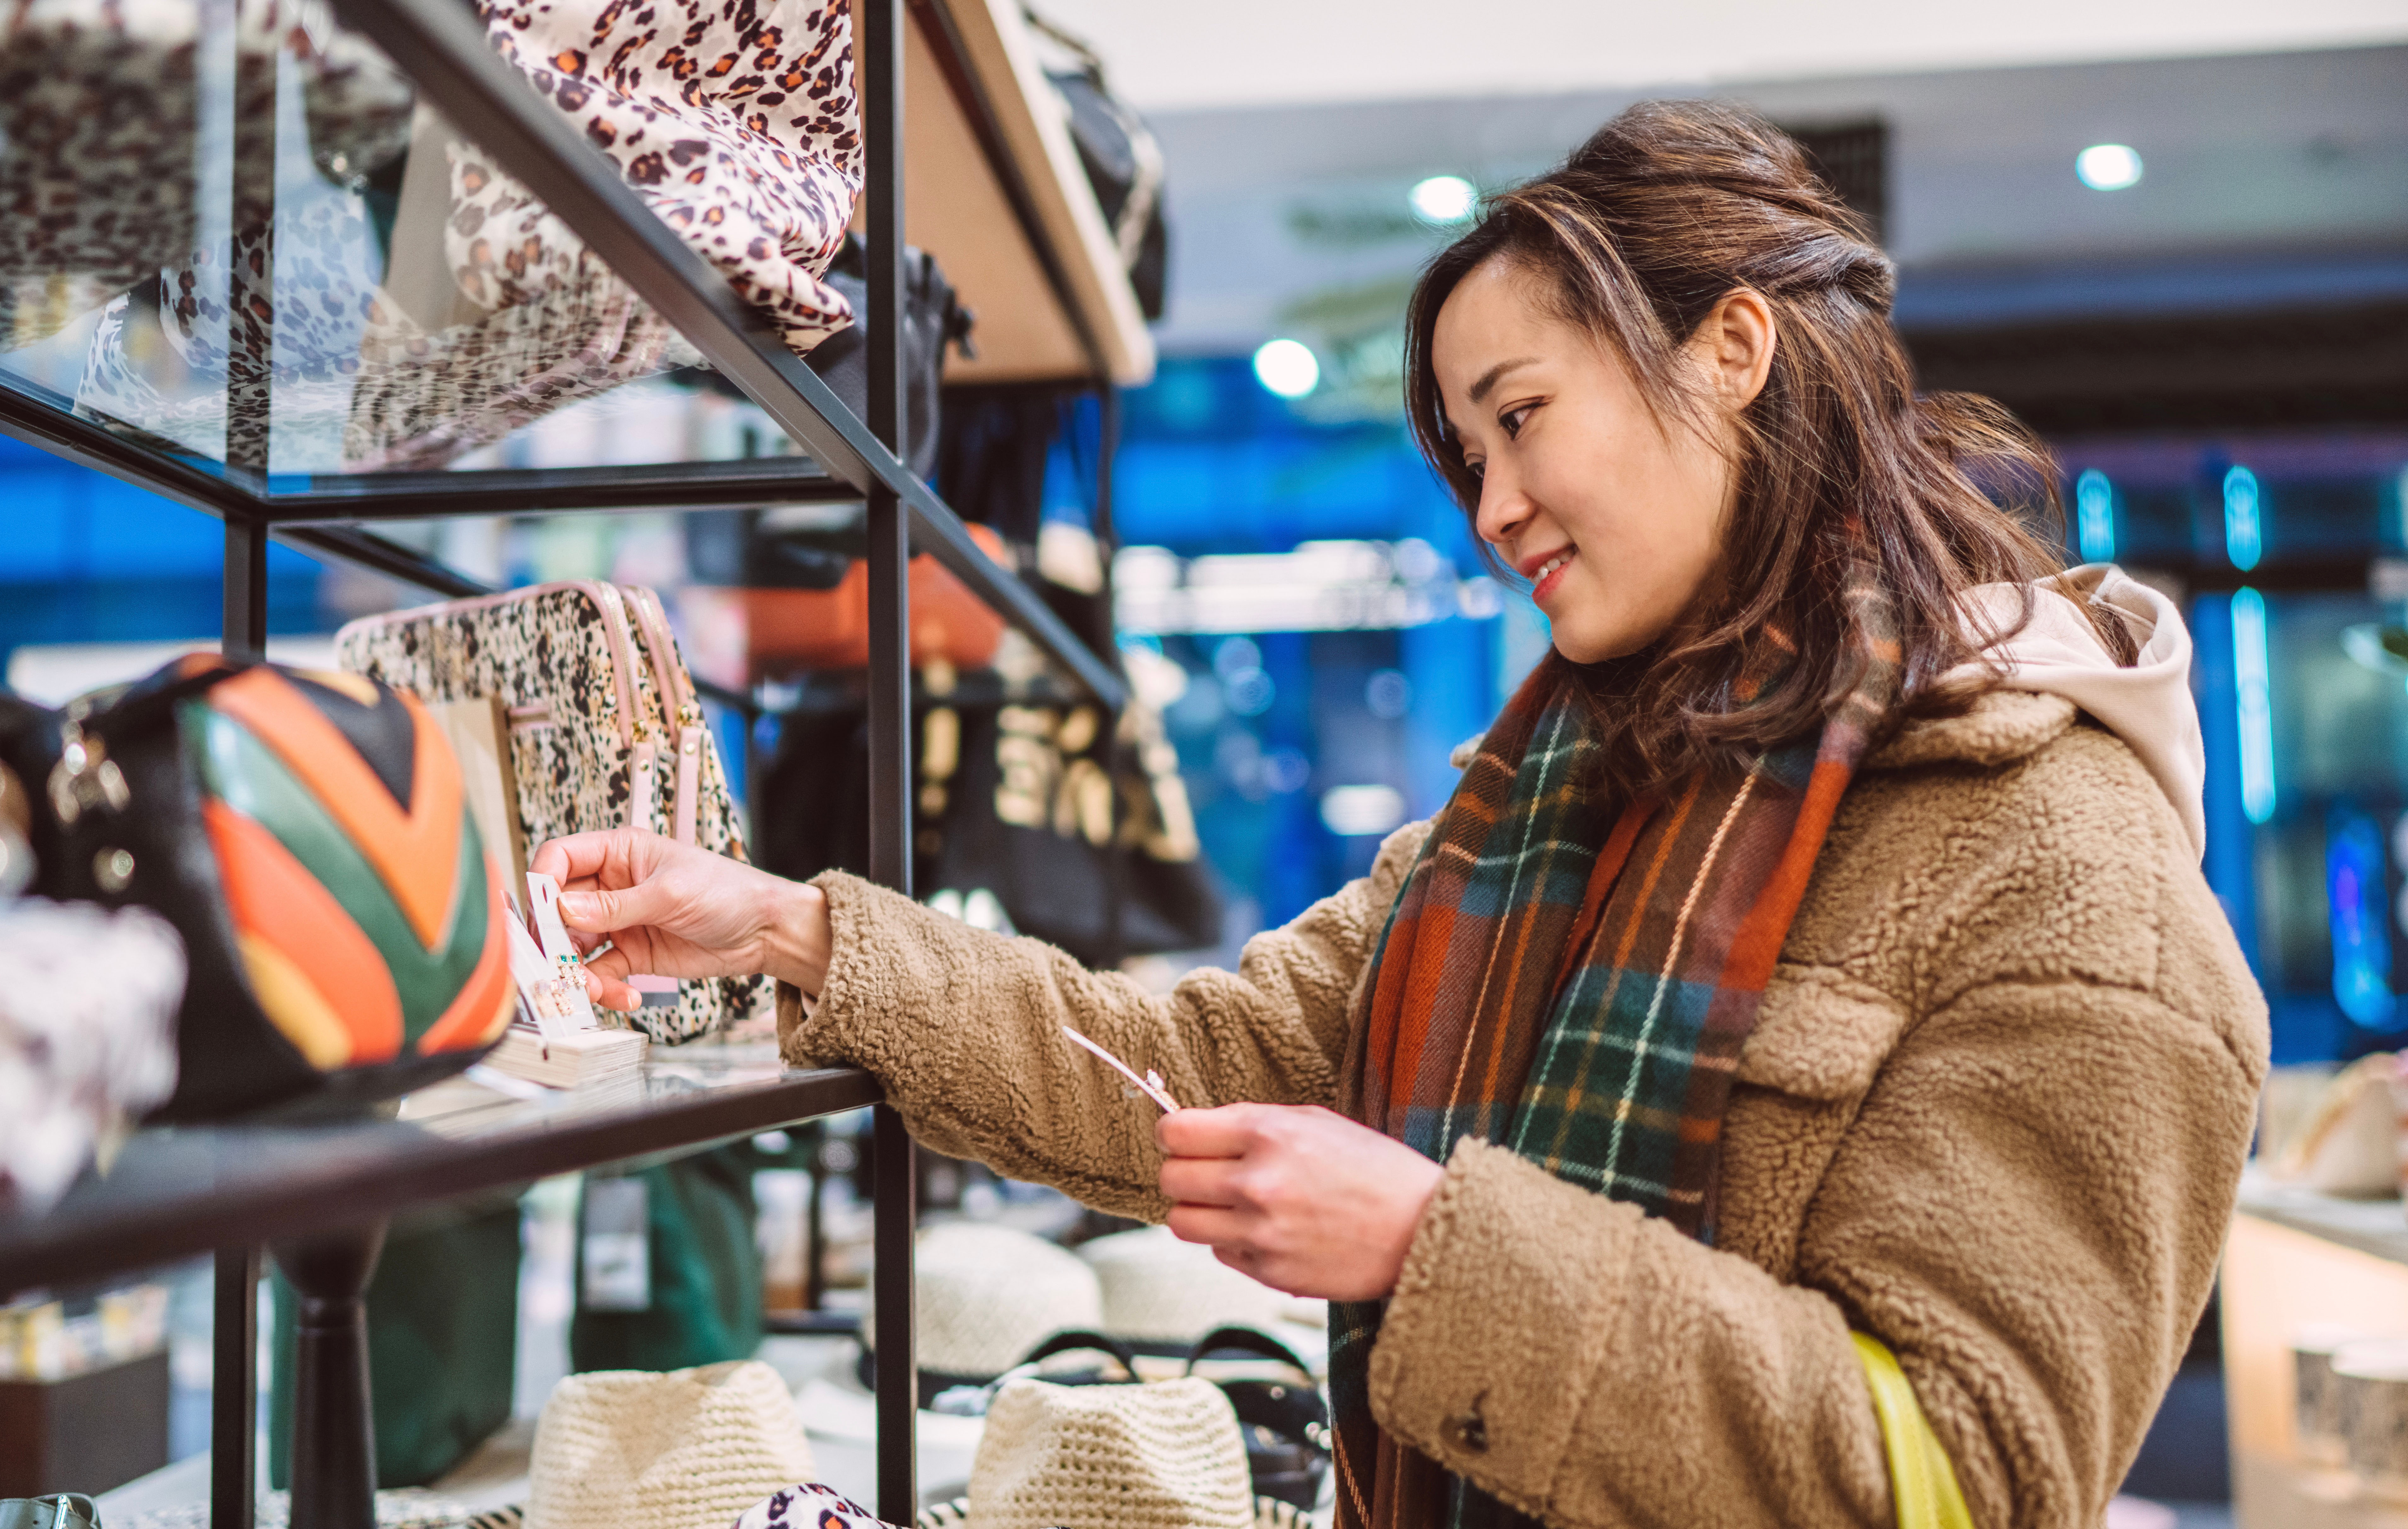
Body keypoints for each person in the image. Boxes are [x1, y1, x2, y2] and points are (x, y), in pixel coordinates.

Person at [533, 101, 2265, 1529]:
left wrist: (1434, 1247)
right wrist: (791, 926)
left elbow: (1973, 1471)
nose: (1495, 504)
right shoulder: (1547, 806)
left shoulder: (2061, 871)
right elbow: (1188, 1061)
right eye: (1465, 449)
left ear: (1732, 346)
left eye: (1522, 417)